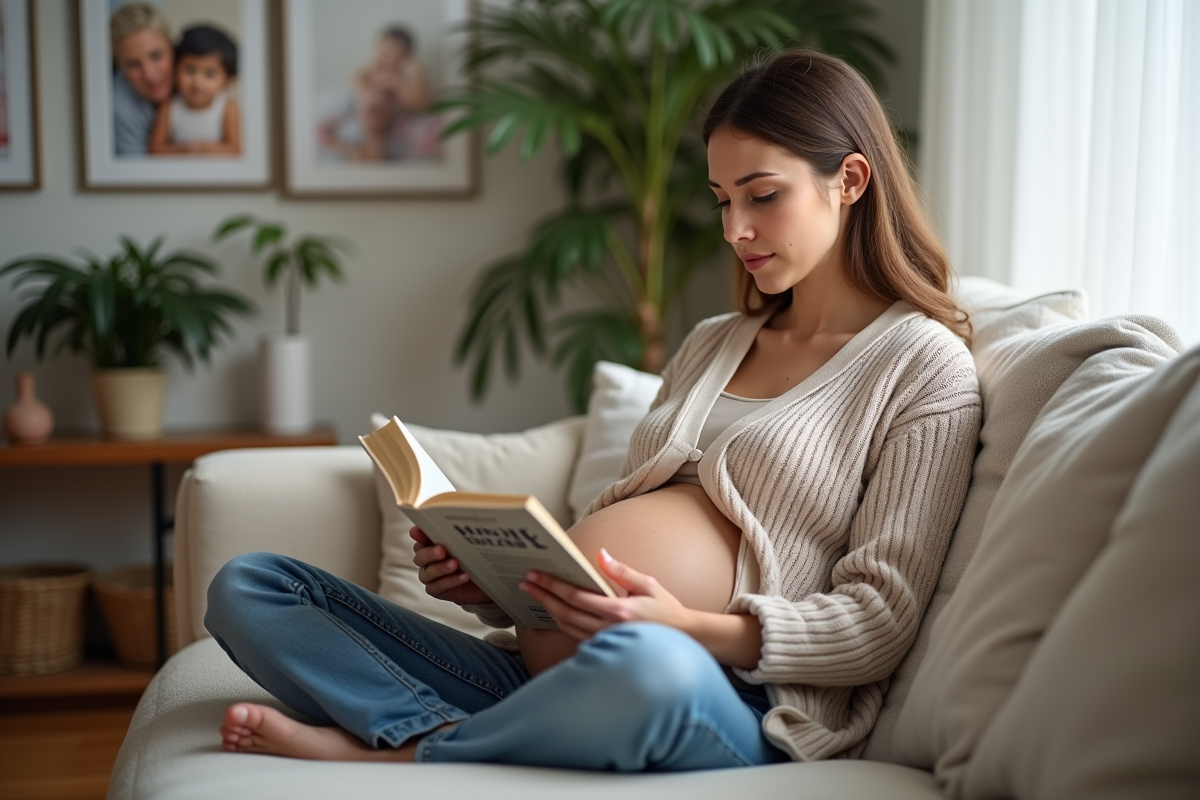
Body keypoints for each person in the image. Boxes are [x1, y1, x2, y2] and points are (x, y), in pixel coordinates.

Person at [205, 49, 983, 770]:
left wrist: (687, 627)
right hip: (540, 672)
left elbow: (878, 619)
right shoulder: (713, 343)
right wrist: (492, 588)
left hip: (717, 690)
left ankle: (407, 753)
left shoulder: (922, 366)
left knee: (644, 667)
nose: (735, 230)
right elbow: (617, 532)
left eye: (763, 197)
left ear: (849, 180)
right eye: (721, 201)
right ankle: (492, 730)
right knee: (253, 587)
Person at [316, 25, 441, 161]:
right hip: (367, 116)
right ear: (376, 51)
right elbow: (358, 85)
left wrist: (401, 80)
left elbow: (422, 103)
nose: (391, 60)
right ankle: (332, 133)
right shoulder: (368, 72)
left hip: (393, 120)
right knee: (355, 106)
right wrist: (377, 85)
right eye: (385, 54)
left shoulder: (407, 77)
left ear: (408, 59)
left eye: (398, 56)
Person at [148, 25, 241, 156]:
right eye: (190, 70)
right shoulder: (169, 106)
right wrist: (184, 150)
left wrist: (204, 150)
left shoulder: (228, 108)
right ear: (175, 69)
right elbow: (155, 149)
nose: (197, 81)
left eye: (209, 74)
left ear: (228, 80)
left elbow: (235, 149)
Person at [110, 3, 174, 156]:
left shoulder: (197, 73)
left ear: (173, 48)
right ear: (119, 67)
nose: (149, 74)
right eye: (133, 64)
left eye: (156, 56)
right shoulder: (119, 106)